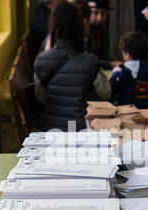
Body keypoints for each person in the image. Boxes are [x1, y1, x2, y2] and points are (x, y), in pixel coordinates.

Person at [34, 0, 111, 131]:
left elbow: (41, 97)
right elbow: (106, 93)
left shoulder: (40, 61)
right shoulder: (90, 61)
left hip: (51, 131)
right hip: (80, 131)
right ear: (79, 25)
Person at [110, 31, 148, 108]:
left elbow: (113, 87)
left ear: (127, 55)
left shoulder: (124, 72)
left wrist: (115, 72)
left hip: (129, 109)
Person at [87, 0, 121, 69]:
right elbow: (85, 60)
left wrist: (113, 62)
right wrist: (110, 64)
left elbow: (103, 55)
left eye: (103, 13)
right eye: (95, 13)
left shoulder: (102, 29)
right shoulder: (82, 30)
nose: (99, 18)